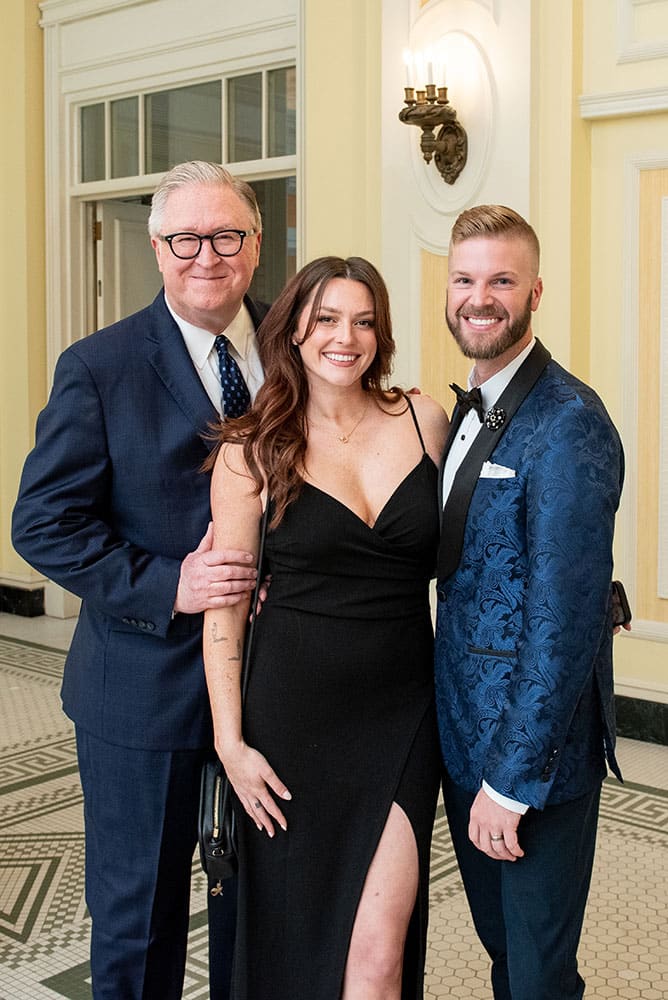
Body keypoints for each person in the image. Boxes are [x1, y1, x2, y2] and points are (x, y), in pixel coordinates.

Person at [11, 160, 269, 1000]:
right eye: (185, 239)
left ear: (256, 244)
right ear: (158, 249)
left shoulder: (298, 345)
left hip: (274, 684)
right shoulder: (100, 366)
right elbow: (42, 524)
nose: (207, 256)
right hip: (142, 690)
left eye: (226, 235)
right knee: (139, 920)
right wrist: (169, 585)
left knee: (259, 912)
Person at [202, 256, 449, 999]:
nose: (347, 338)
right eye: (328, 320)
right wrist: (230, 743)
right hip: (291, 724)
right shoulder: (251, 447)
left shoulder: (425, 420)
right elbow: (226, 609)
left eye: (364, 321)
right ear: (293, 331)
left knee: (378, 955)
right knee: (296, 945)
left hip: (404, 715)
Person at [434, 205, 624, 1000]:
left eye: (502, 281)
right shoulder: (466, 408)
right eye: (465, 279)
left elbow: (563, 624)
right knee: (506, 957)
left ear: (535, 292)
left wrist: (510, 784)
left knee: (540, 976)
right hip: (461, 737)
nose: (480, 298)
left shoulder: (570, 422)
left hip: (531, 762)